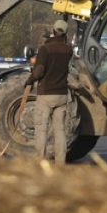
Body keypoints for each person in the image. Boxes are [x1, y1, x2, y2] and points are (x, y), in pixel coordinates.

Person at [25, 19, 73, 164]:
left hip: (46, 95)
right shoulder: (68, 50)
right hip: (62, 95)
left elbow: (39, 72)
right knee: (60, 131)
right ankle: (60, 163)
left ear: (53, 31)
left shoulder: (45, 49)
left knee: (41, 130)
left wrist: (30, 80)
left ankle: (40, 162)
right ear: (65, 32)